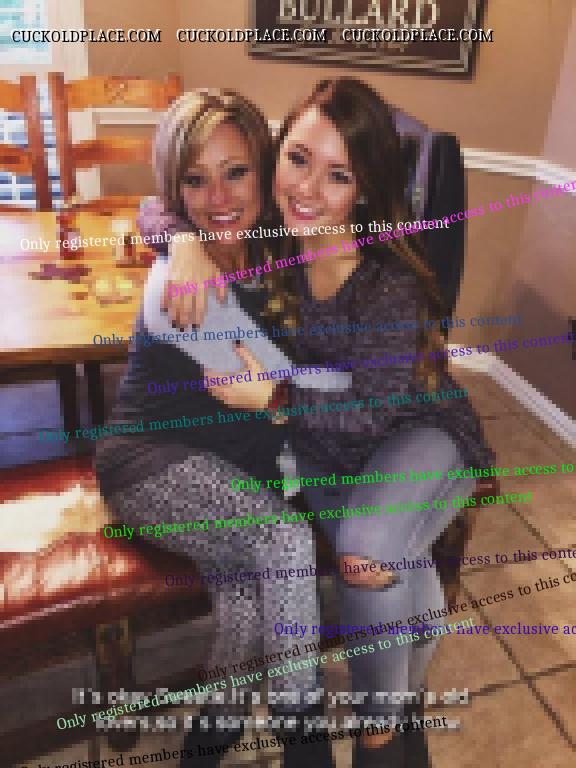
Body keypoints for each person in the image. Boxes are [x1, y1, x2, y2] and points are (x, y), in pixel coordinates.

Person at [143, 78, 494, 768]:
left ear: (364, 190)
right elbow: (163, 203)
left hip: (418, 431)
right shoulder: (276, 242)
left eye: (339, 175)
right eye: (298, 159)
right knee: (401, 578)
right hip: (326, 447)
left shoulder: (387, 281)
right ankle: (404, 713)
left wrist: (275, 397)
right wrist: (181, 241)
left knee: (367, 553)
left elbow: (372, 412)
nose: (307, 189)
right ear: (275, 155)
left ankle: (378, 734)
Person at [95, 89, 333, 768]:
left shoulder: (268, 244)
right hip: (151, 466)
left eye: (236, 172)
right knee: (283, 540)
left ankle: (208, 741)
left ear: (264, 168)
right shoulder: (184, 289)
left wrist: (177, 230)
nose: (219, 197)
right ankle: (303, 737)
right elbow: (290, 387)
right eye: (195, 180)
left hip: (233, 467)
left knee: (246, 599)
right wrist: (180, 239)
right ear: (176, 188)